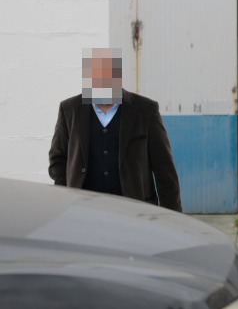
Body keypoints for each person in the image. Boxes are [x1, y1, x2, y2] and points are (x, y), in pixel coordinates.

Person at [48, 48, 182, 212]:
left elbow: (164, 169)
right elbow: (57, 159)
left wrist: (173, 217)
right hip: (83, 211)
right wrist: (66, 197)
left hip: (135, 211)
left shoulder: (146, 110)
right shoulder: (69, 109)